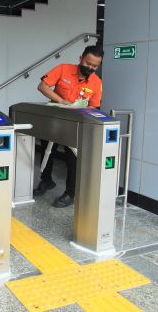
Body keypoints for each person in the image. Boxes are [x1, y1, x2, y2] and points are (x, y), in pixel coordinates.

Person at [34, 45, 104, 208]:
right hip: (55, 119)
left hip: (76, 123)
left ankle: (70, 193)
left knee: (73, 158)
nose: (91, 68)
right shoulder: (63, 69)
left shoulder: (96, 82)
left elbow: (94, 107)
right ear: (81, 59)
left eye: (95, 66)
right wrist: (61, 101)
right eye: (88, 63)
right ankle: (46, 181)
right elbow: (42, 86)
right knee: (47, 151)